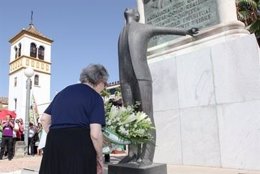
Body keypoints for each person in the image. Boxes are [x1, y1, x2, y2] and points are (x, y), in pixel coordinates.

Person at [118, 8, 198, 165]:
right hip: (125, 79)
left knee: (146, 116)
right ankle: (133, 153)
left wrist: (186, 31)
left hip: (141, 76)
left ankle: (147, 155)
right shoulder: (121, 33)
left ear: (137, 15)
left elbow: (164, 29)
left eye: (133, 9)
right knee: (130, 117)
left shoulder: (143, 27)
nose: (129, 8)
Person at [39, 64, 109, 174]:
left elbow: (44, 119)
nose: (104, 86)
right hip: (80, 145)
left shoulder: (62, 93)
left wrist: (56, 134)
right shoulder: (95, 97)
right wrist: (100, 157)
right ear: (100, 80)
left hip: (54, 144)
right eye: (105, 83)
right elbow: (95, 134)